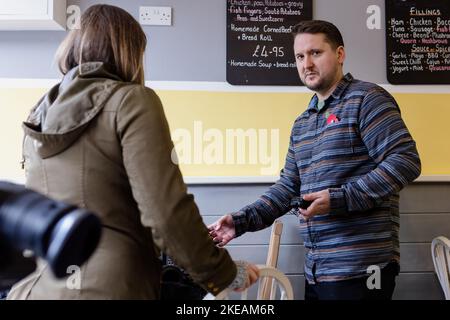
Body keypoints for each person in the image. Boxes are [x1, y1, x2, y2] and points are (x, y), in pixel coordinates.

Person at [7, 4, 258, 299]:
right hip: (109, 288)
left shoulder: (38, 112)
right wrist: (223, 273)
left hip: (37, 287)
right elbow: (166, 213)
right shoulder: (131, 101)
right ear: (130, 52)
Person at [209, 20, 421, 300]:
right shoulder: (303, 123)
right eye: (299, 56)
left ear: (340, 54)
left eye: (315, 53)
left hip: (362, 268)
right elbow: (287, 188)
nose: (306, 63)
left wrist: (339, 199)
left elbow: (405, 160)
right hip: (318, 270)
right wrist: (241, 221)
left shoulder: (368, 99)